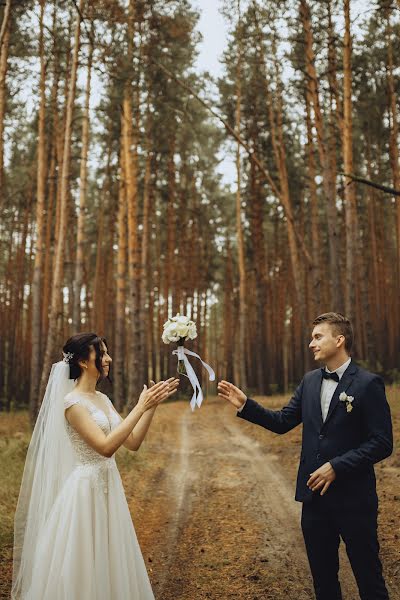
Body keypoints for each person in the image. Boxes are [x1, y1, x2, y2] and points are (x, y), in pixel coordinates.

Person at [218, 312, 393, 600]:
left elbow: (382, 442)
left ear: (339, 340)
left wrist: (337, 466)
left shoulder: (367, 383)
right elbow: (283, 421)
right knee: (323, 583)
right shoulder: (310, 381)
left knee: (369, 580)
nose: (311, 343)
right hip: (315, 501)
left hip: (355, 500)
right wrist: (246, 405)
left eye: (317, 337)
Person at [12, 332, 179, 600]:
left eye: (107, 352)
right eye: (101, 353)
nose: (108, 358)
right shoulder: (72, 404)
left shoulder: (103, 400)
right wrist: (139, 406)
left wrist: (151, 408)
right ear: (81, 361)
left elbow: (133, 442)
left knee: (111, 557)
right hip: (84, 493)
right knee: (84, 564)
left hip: (109, 489)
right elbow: (105, 447)